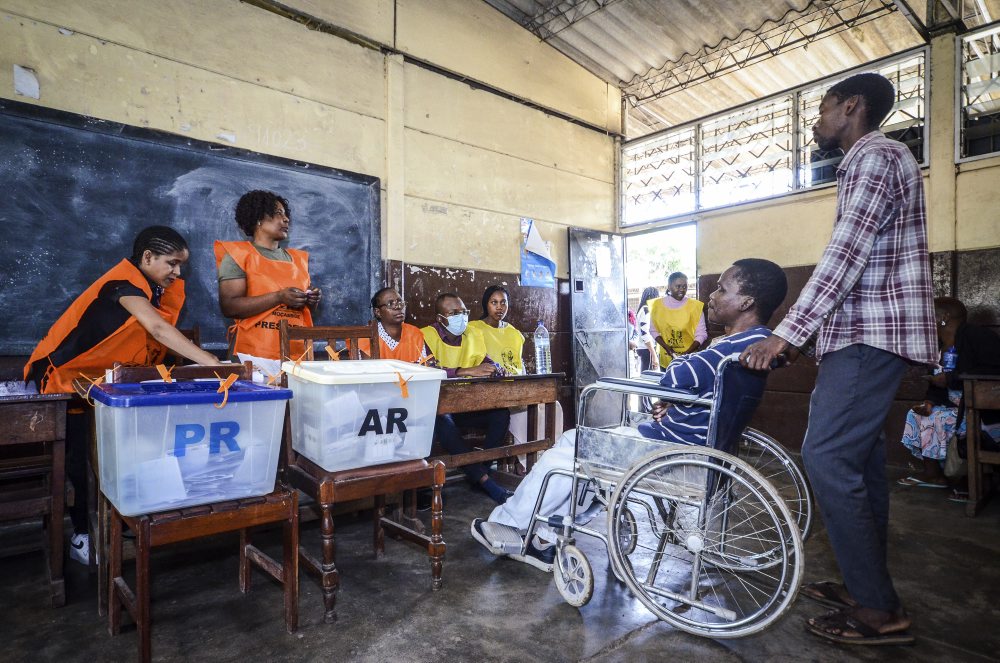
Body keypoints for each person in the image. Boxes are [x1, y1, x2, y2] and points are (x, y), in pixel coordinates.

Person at [740, 73, 937, 646]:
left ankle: (878, 611)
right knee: (860, 464)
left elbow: (844, 255)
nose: (817, 121)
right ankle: (866, 586)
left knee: (825, 458)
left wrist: (786, 334)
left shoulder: (873, 156)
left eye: (823, 110)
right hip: (863, 335)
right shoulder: (877, 161)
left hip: (867, 337)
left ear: (852, 107)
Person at [471, 258, 788, 571]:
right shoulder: (760, 342)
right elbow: (699, 386)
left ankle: (511, 524)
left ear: (747, 301)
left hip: (669, 450)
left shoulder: (734, 347)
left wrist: (671, 390)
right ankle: (546, 531)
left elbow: (678, 373)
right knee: (575, 447)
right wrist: (674, 399)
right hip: (695, 443)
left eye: (721, 289)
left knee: (568, 452)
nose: (712, 296)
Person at [24, 226, 223, 564]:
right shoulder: (123, 286)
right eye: (172, 263)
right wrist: (213, 363)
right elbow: (158, 329)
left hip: (106, 384)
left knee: (127, 450)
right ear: (147, 257)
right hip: (64, 380)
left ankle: (126, 517)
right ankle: (83, 535)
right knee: (79, 457)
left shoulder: (154, 290)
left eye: (181, 267)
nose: (177, 273)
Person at [898, 297, 1000, 491]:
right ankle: (933, 474)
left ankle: (970, 480)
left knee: (941, 419)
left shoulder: (978, 336)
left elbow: (993, 371)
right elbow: (937, 382)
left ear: (943, 317)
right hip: (952, 406)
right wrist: (929, 402)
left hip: (979, 410)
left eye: (929, 313)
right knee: (919, 415)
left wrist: (952, 378)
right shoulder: (938, 344)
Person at [215, 190, 321, 378]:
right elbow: (229, 306)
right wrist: (279, 296)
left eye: (285, 214)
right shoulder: (239, 255)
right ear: (258, 219)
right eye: (278, 213)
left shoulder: (298, 259)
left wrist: (310, 300)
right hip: (252, 354)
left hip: (295, 353)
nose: (286, 219)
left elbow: (301, 313)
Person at [422, 293, 512, 504]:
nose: (460, 317)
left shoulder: (472, 334)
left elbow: (484, 361)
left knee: (500, 414)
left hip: (464, 405)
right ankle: (486, 483)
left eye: (463, 312)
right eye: (453, 313)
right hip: (437, 408)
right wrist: (465, 371)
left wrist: (495, 369)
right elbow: (426, 370)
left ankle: (478, 472)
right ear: (440, 318)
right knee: (443, 421)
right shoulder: (426, 336)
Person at [467, 285, 564, 448]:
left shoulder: (513, 333)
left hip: (516, 387)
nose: (499, 307)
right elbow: (471, 362)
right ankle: (524, 459)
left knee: (553, 406)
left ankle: (547, 454)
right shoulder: (474, 329)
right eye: (494, 302)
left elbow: (520, 367)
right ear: (486, 304)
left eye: (503, 303)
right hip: (489, 390)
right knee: (523, 413)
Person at [649, 271, 707, 368]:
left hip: (690, 358)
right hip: (667, 359)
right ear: (669, 287)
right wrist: (667, 348)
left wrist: (686, 353)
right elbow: (653, 330)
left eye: (684, 286)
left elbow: (702, 334)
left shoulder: (695, 306)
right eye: (678, 286)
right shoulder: (657, 305)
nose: (682, 290)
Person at [358, 287, 428, 363]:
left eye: (400, 302)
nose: (398, 307)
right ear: (378, 312)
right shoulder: (367, 337)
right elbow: (370, 372)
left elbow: (422, 370)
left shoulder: (415, 334)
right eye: (390, 304)